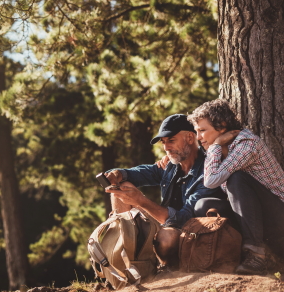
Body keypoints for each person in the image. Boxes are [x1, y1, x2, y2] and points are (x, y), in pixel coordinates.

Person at [104, 114, 226, 267]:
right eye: (163, 142)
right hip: (165, 224)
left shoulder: (208, 171)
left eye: (171, 141)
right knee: (122, 185)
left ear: (190, 137)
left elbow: (183, 219)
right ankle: (123, 261)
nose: (166, 147)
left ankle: (164, 268)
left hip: (187, 233)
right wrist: (118, 173)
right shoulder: (170, 165)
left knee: (166, 238)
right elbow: (139, 173)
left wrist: (141, 201)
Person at [186, 99, 284, 275]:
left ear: (222, 126)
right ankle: (232, 253)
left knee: (236, 179)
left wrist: (215, 146)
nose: (198, 137)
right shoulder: (215, 149)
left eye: (202, 131)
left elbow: (211, 180)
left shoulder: (246, 143)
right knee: (203, 205)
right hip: (256, 217)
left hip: (279, 216)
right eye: (196, 131)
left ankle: (256, 255)